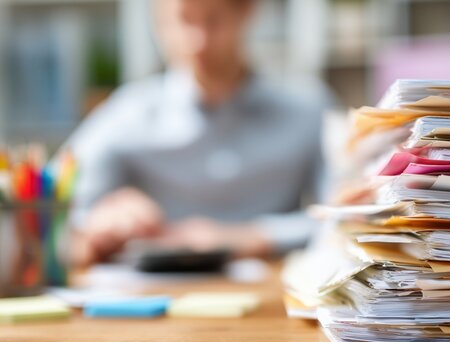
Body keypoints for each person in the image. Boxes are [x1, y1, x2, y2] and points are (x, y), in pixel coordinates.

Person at [68, 0, 330, 266]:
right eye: (184, 20)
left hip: (276, 294)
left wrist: (254, 236)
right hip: (158, 293)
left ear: (247, 12)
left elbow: (349, 220)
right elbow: (54, 210)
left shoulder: (308, 110)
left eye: (213, 21)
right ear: (158, 20)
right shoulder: (126, 114)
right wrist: (100, 220)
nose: (198, 42)